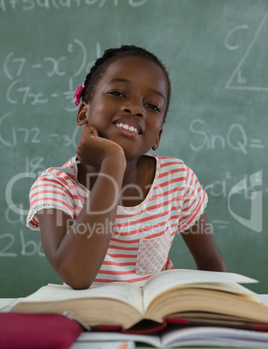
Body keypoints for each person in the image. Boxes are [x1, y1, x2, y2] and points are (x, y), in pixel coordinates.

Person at [27, 45, 227, 290]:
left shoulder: (177, 180)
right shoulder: (56, 186)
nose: (135, 108)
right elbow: (76, 275)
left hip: (157, 320)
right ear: (83, 112)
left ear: (157, 138)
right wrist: (113, 163)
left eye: (152, 106)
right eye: (118, 93)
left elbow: (211, 264)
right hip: (90, 322)